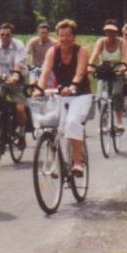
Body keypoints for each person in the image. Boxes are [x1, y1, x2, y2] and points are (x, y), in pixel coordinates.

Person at [35, 19, 91, 176]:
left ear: (74, 37)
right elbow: (45, 73)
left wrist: (73, 85)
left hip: (80, 94)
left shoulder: (81, 51)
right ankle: (57, 162)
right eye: (61, 36)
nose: (65, 39)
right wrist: (39, 89)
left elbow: (80, 72)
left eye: (68, 36)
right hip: (61, 95)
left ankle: (78, 162)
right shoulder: (53, 52)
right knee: (53, 125)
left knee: (72, 121)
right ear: (57, 36)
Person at [0, 23, 29, 141]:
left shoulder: (18, 45)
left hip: (18, 79)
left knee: (19, 109)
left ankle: (22, 130)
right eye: (2, 34)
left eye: (7, 35)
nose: (4, 37)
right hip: (1, 79)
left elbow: (18, 63)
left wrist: (15, 75)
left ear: (12, 35)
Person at [88, 19, 127, 128]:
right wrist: (90, 66)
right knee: (99, 97)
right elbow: (94, 55)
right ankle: (104, 119)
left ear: (117, 32)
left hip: (117, 71)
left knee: (117, 93)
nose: (110, 34)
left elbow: (125, 58)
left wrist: (123, 67)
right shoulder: (101, 42)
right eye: (107, 31)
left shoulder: (122, 42)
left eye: (112, 31)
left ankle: (119, 120)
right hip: (104, 71)